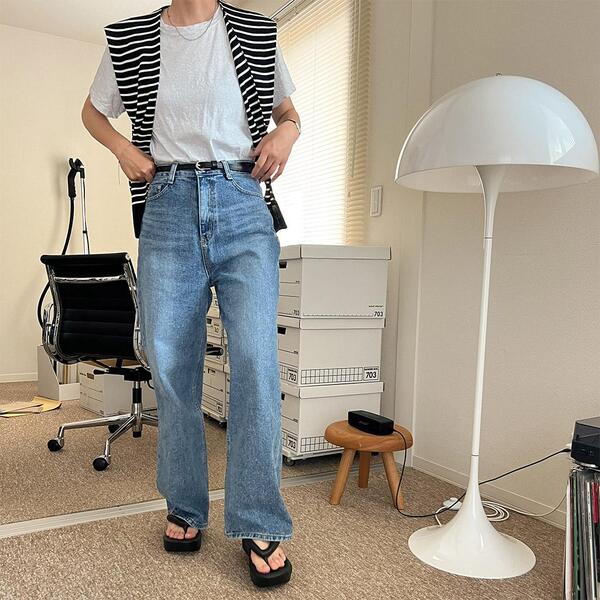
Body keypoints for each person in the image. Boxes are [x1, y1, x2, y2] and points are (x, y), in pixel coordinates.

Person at [81, 0, 300, 588]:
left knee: (255, 362)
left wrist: (286, 133)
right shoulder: (132, 37)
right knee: (173, 364)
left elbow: (287, 111)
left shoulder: (256, 30)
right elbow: (93, 111)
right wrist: (122, 149)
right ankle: (185, 504)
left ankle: (259, 518)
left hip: (242, 200)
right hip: (168, 205)